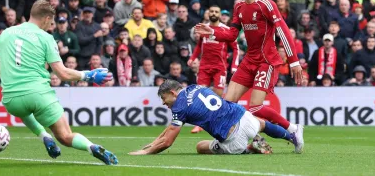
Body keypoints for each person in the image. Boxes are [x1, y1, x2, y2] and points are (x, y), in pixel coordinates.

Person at [0, 0, 118, 165]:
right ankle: (91, 147)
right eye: (50, 22)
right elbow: (62, 73)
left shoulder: (6, 33)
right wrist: (89, 75)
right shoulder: (46, 38)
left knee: (24, 109)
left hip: (11, 100)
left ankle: (45, 137)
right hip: (39, 95)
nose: (50, 26)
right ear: (46, 18)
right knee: (65, 136)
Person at [195, 0, 304, 153]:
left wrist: (294, 61)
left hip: (266, 61)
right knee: (226, 106)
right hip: (249, 61)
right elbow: (231, 34)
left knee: (255, 108)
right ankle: (237, 142)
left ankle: (292, 128)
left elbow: (283, 31)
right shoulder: (239, 6)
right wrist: (214, 31)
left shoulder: (267, 5)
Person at [129, 80, 301, 155]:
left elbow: (168, 142)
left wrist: (145, 152)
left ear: (173, 93)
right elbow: (168, 130)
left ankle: (249, 148)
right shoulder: (195, 87)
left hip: (233, 138)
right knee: (263, 124)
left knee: (200, 146)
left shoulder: (179, 107)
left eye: (164, 98)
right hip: (244, 117)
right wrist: (152, 143)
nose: (163, 103)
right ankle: (293, 138)